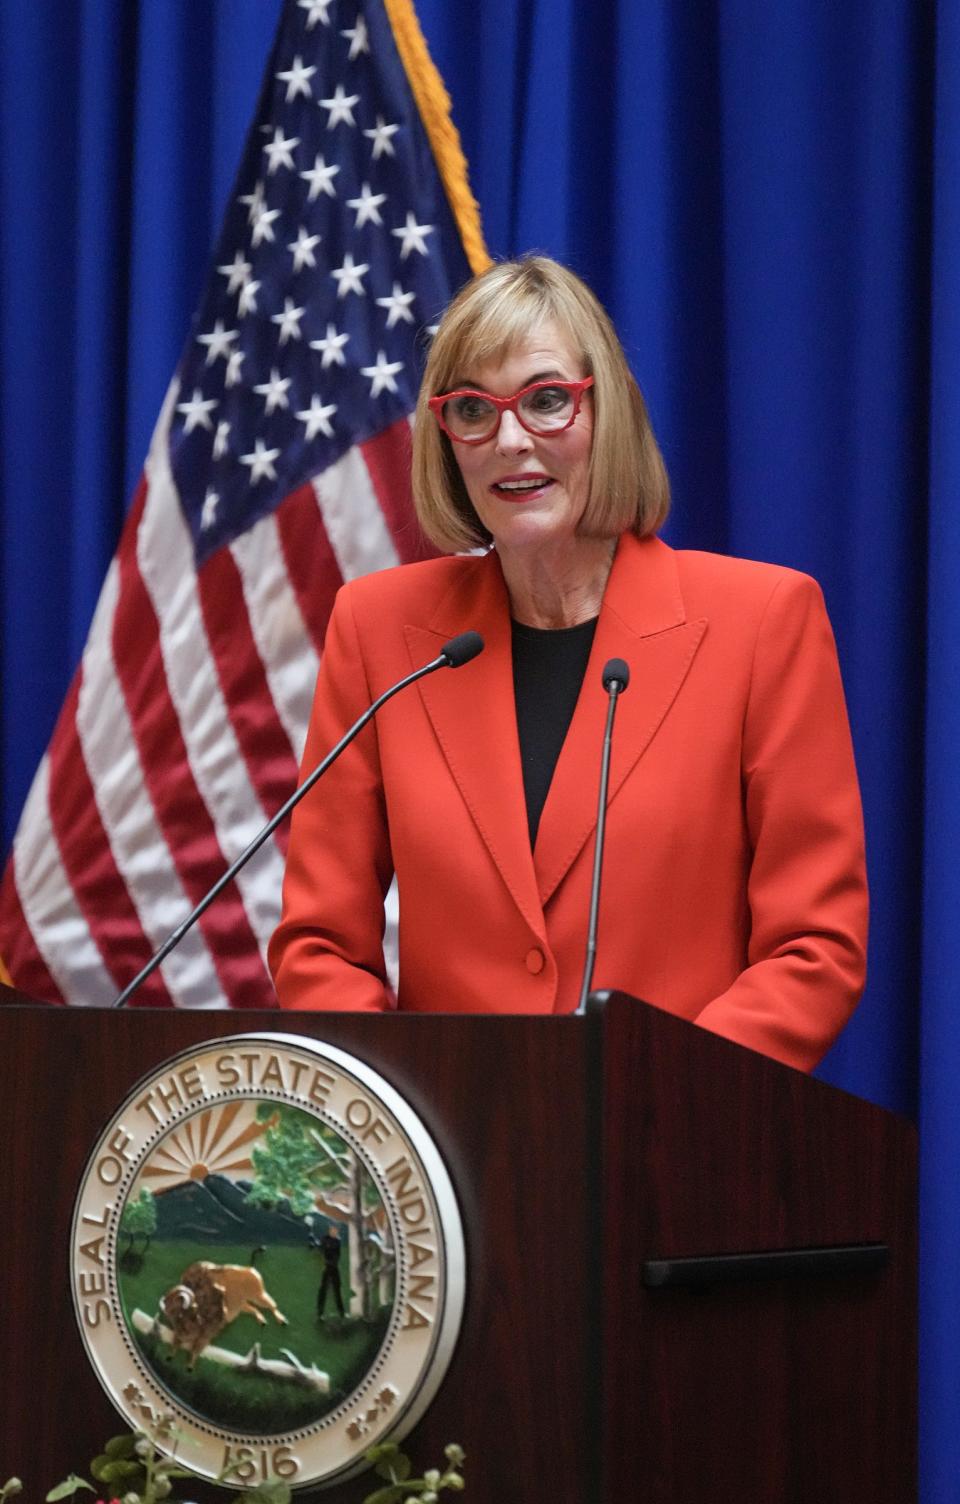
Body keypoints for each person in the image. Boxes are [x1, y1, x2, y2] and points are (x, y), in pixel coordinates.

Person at [268, 256, 867, 1073]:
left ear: (606, 409)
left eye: (547, 400)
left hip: (672, 1157)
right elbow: (320, 946)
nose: (511, 438)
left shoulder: (762, 623)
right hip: (443, 1171)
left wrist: (652, 1108)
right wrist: (403, 1109)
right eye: (473, 409)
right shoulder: (382, 631)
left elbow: (814, 947)